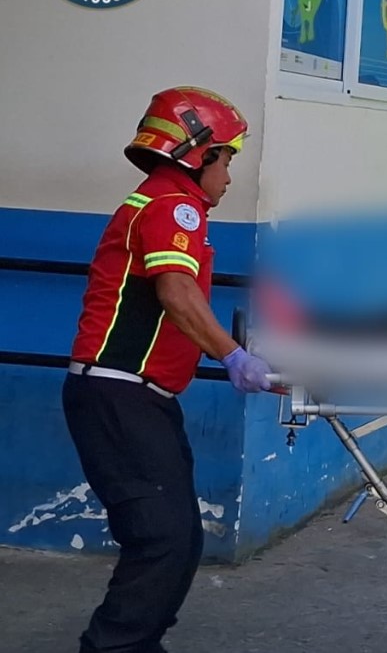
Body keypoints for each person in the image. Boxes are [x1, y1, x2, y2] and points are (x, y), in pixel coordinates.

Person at [64, 87, 274, 653]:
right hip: (118, 394)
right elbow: (177, 290)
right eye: (227, 160)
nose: (229, 176)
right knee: (160, 537)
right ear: (197, 154)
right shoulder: (170, 205)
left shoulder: (166, 204)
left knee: (178, 538)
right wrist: (232, 354)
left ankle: (139, 642)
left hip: (142, 398)